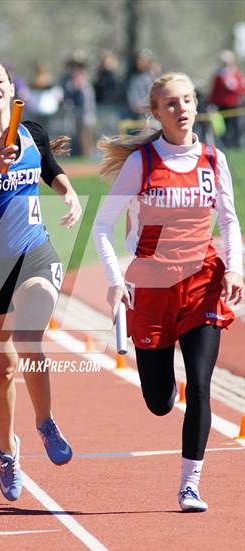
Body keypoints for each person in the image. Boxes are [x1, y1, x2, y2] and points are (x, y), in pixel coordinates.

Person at [93, 72, 243, 512]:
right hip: (153, 287)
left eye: (187, 101)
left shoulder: (214, 161)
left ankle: (190, 484)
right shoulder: (143, 162)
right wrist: (115, 280)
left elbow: (231, 221)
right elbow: (102, 226)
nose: (181, 109)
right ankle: (162, 380)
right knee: (160, 402)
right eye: (170, 103)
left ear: (197, 106)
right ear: (156, 112)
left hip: (202, 283)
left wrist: (235, 270)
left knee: (199, 385)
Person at [0, 57, 82, 501]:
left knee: (29, 336)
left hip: (34, 254)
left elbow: (49, 168)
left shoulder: (30, 132)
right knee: (0, 369)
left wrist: (70, 194)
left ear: (10, 86)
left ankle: (45, 422)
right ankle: (7, 451)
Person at [208, 50, 245, 148]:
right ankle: (225, 146)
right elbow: (215, 90)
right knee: (222, 128)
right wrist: (211, 102)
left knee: (236, 127)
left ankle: (236, 146)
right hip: (221, 106)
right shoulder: (219, 75)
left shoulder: (236, 74)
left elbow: (241, 88)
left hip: (234, 105)